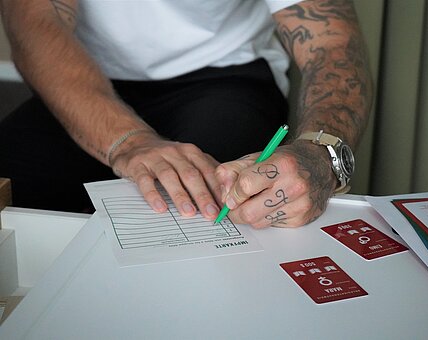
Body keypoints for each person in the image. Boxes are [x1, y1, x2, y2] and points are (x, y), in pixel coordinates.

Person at [0, 0, 372, 228]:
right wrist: (130, 141)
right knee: (11, 188)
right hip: (86, 74)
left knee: (216, 209)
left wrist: (321, 153)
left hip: (223, 73)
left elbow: (331, 44)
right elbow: (33, 22)